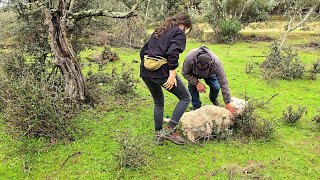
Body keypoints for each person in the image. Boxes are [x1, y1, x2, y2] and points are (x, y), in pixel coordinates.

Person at [140, 12, 192, 145]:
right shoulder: (179, 33)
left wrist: (147, 66)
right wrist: (172, 74)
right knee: (185, 97)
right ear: (183, 24)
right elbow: (172, 52)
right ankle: (169, 130)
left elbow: (143, 50)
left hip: (146, 72)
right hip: (162, 73)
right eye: (186, 28)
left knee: (158, 101)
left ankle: (158, 134)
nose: (184, 30)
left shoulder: (159, 30)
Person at [182, 46, 237, 115]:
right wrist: (197, 83)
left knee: (216, 87)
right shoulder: (189, 59)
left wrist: (227, 102)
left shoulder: (216, 63)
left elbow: (223, 82)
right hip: (193, 73)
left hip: (210, 73)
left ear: (211, 63)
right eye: (200, 67)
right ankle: (196, 106)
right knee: (192, 87)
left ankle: (213, 99)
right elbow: (185, 73)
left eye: (204, 68)